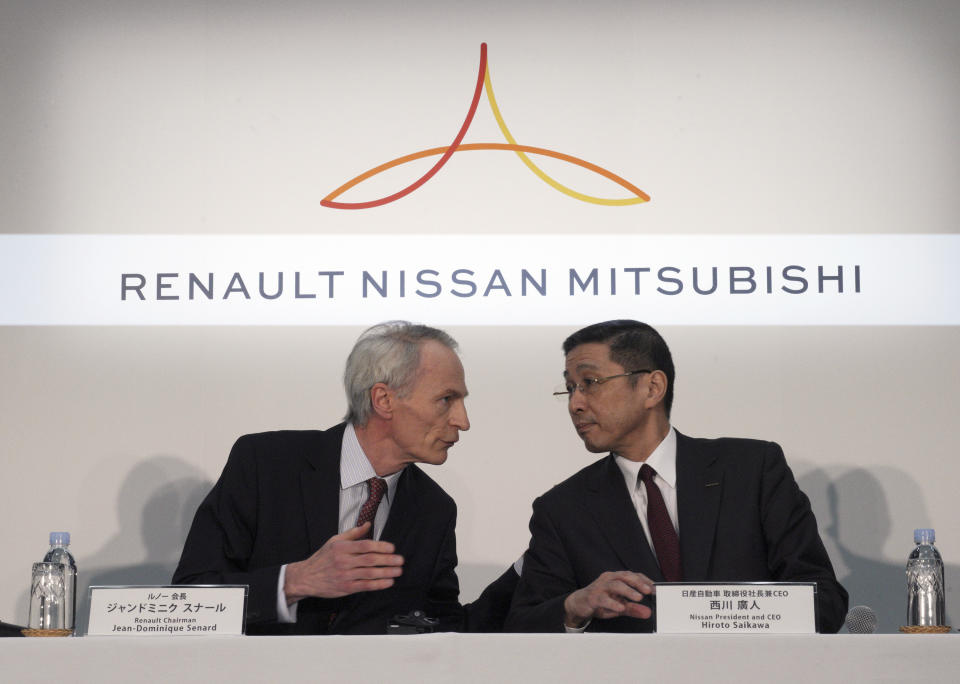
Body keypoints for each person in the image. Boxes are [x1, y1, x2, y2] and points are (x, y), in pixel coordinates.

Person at [505, 320, 848, 633]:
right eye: (570, 387)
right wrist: (573, 608)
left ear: (652, 388)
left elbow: (823, 599)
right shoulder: (563, 508)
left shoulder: (752, 470)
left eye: (590, 383)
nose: (575, 403)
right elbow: (522, 624)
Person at [173, 321, 516, 634]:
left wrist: (527, 574)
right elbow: (188, 601)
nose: (463, 420)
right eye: (446, 399)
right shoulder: (265, 464)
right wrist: (294, 581)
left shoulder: (434, 509)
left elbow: (443, 625)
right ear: (383, 399)